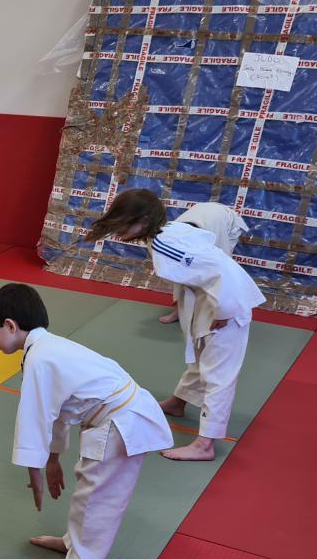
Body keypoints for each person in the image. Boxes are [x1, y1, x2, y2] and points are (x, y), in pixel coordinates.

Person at [0, 283, 173, 559]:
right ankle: (74, 545)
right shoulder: (46, 348)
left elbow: (35, 417)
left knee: (98, 499)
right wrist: (52, 460)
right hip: (118, 417)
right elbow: (55, 411)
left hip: (121, 423)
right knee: (89, 492)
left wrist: (35, 472)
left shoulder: (40, 358)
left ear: (10, 325)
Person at [85, 188, 265, 462]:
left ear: (144, 221)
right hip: (212, 297)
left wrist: (225, 310)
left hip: (229, 301)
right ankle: (178, 403)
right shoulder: (164, 233)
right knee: (201, 355)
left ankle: (205, 445)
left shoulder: (164, 243)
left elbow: (220, 268)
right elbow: (205, 249)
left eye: (124, 224)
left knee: (219, 373)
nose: (119, 231)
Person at [158, 201, 247, 325]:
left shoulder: (213, 239)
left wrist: (222, 315)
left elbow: (224, 271)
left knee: (216, 273)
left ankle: (221, 314)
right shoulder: (173, 235)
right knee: (183, 274)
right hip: (201, 216)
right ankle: (179, 311)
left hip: (227, 222)